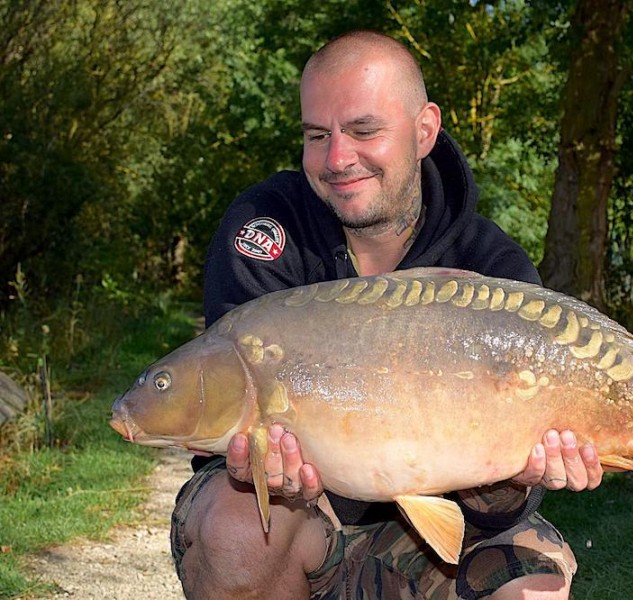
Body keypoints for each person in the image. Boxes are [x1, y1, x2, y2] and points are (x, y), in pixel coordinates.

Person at [171, 30, 603, 599]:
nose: (337, 158)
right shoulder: (266, 228)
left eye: (363, 129)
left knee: (531, 592)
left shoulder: (490, 264)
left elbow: (497, 516)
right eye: (317, 134)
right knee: (240, 527)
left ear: (424, 130)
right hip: (301, 517)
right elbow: (224, 411)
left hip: (443, 524)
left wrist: (522, 475)